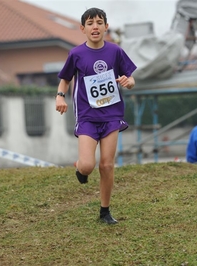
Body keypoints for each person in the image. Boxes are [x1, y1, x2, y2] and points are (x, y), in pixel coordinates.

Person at [55, 7, 136, 224]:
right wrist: (60, 96)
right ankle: (80, 166)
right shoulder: (76, 54)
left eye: (99, 22)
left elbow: (129, 77)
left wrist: (129, 82)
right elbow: (65, 78)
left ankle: (105, 212)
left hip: (111, 115)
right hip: (87, 116)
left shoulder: (115, 51)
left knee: (107, 165)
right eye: (90, 23)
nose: (95, 26)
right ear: (83, 28)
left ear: (106, 27)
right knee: (88, 166)